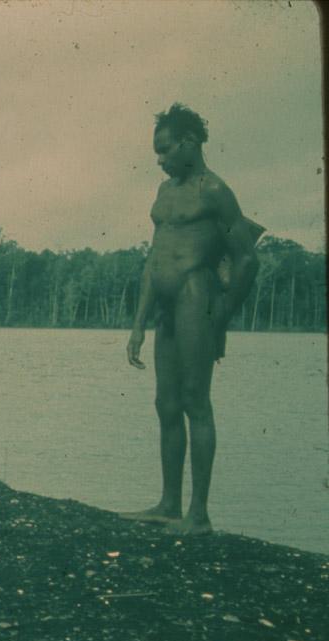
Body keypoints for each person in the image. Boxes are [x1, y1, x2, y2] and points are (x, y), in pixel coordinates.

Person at [122, 103, 261, 535]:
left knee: (195, 401)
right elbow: (153, 257)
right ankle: (169, 503)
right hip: (164, 305)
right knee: (166, 403)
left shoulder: (214, 191)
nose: (159, 160)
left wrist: (221, 313)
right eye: (156, 154)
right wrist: (138, 322)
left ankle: (198, 515)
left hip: (195, 297)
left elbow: (247, 259)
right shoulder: (165, 194)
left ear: (189, 143)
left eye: (164, 151)